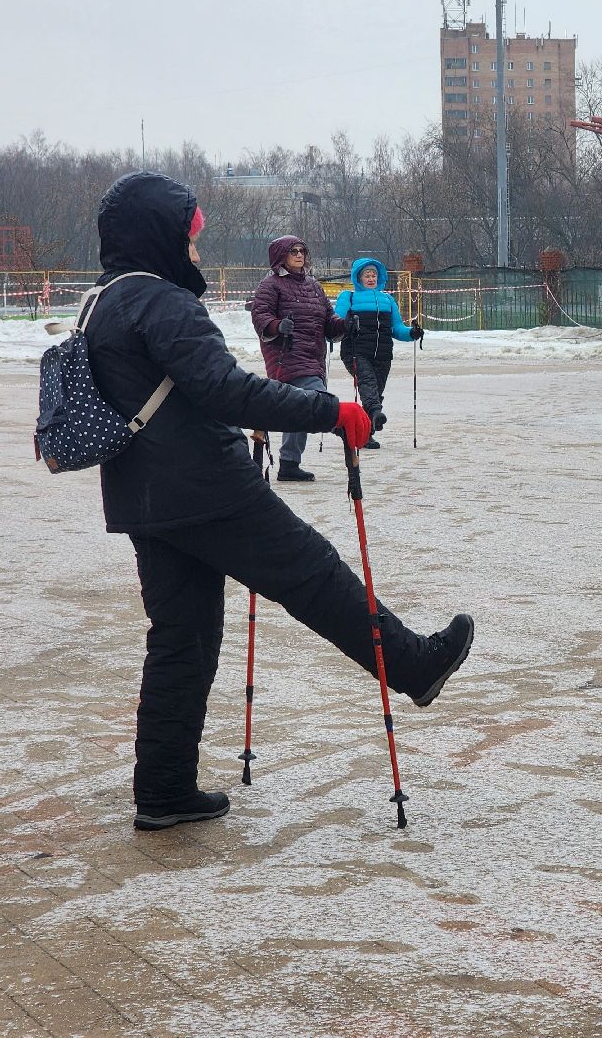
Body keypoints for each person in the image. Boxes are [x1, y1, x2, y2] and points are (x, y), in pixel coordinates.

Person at [81, 172, 475, 830]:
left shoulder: (105, 301)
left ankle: (165, 788)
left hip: (143, 494)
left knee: (182, 638)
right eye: (191, 237)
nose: (197, 251)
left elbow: (183, 389)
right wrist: (330, 411)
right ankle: (412, 665)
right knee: (314, 573)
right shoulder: (162, 302)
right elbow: (226, 389)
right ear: (159, 236)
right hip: (206, 487)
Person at [250, 235, 346, 480]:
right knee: (315, 398)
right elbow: (260, 316)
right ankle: (342, 424)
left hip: (313, 357)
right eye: (293, 250)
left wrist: (345, 326)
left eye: (303, 250)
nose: (299, 255)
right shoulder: (270, 285)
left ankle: (289, 464)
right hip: (285, 356)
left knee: (297, 409)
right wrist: (277, 326)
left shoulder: (314, 286)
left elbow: (329, 322)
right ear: (281, 255)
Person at [335, 258, 421, 449]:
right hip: (356, 352)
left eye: (374, 275)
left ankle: (366, 434)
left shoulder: (388, 299)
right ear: (358, 278)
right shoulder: (347, 297)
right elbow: (337, 324)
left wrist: (412, 333)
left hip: (382, 354)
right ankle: (375, 413)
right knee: (368, 385)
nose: (371, 278)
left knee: (374, 391)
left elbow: (397, 328)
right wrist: (346, 323)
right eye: (367, 275)